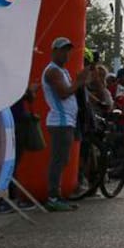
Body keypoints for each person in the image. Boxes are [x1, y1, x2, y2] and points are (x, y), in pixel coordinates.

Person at [41, 37, 87, 211]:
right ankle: (53, 197)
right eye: (62, 50)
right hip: (60, 121)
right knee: (58, 160)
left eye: (68, 50)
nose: (66, 53)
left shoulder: (63, 71)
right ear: (54, 52)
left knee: (63, 159)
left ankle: (56, 195)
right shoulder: (53, 71)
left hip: (67, 121)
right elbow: (63, 93)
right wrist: (79, 82)